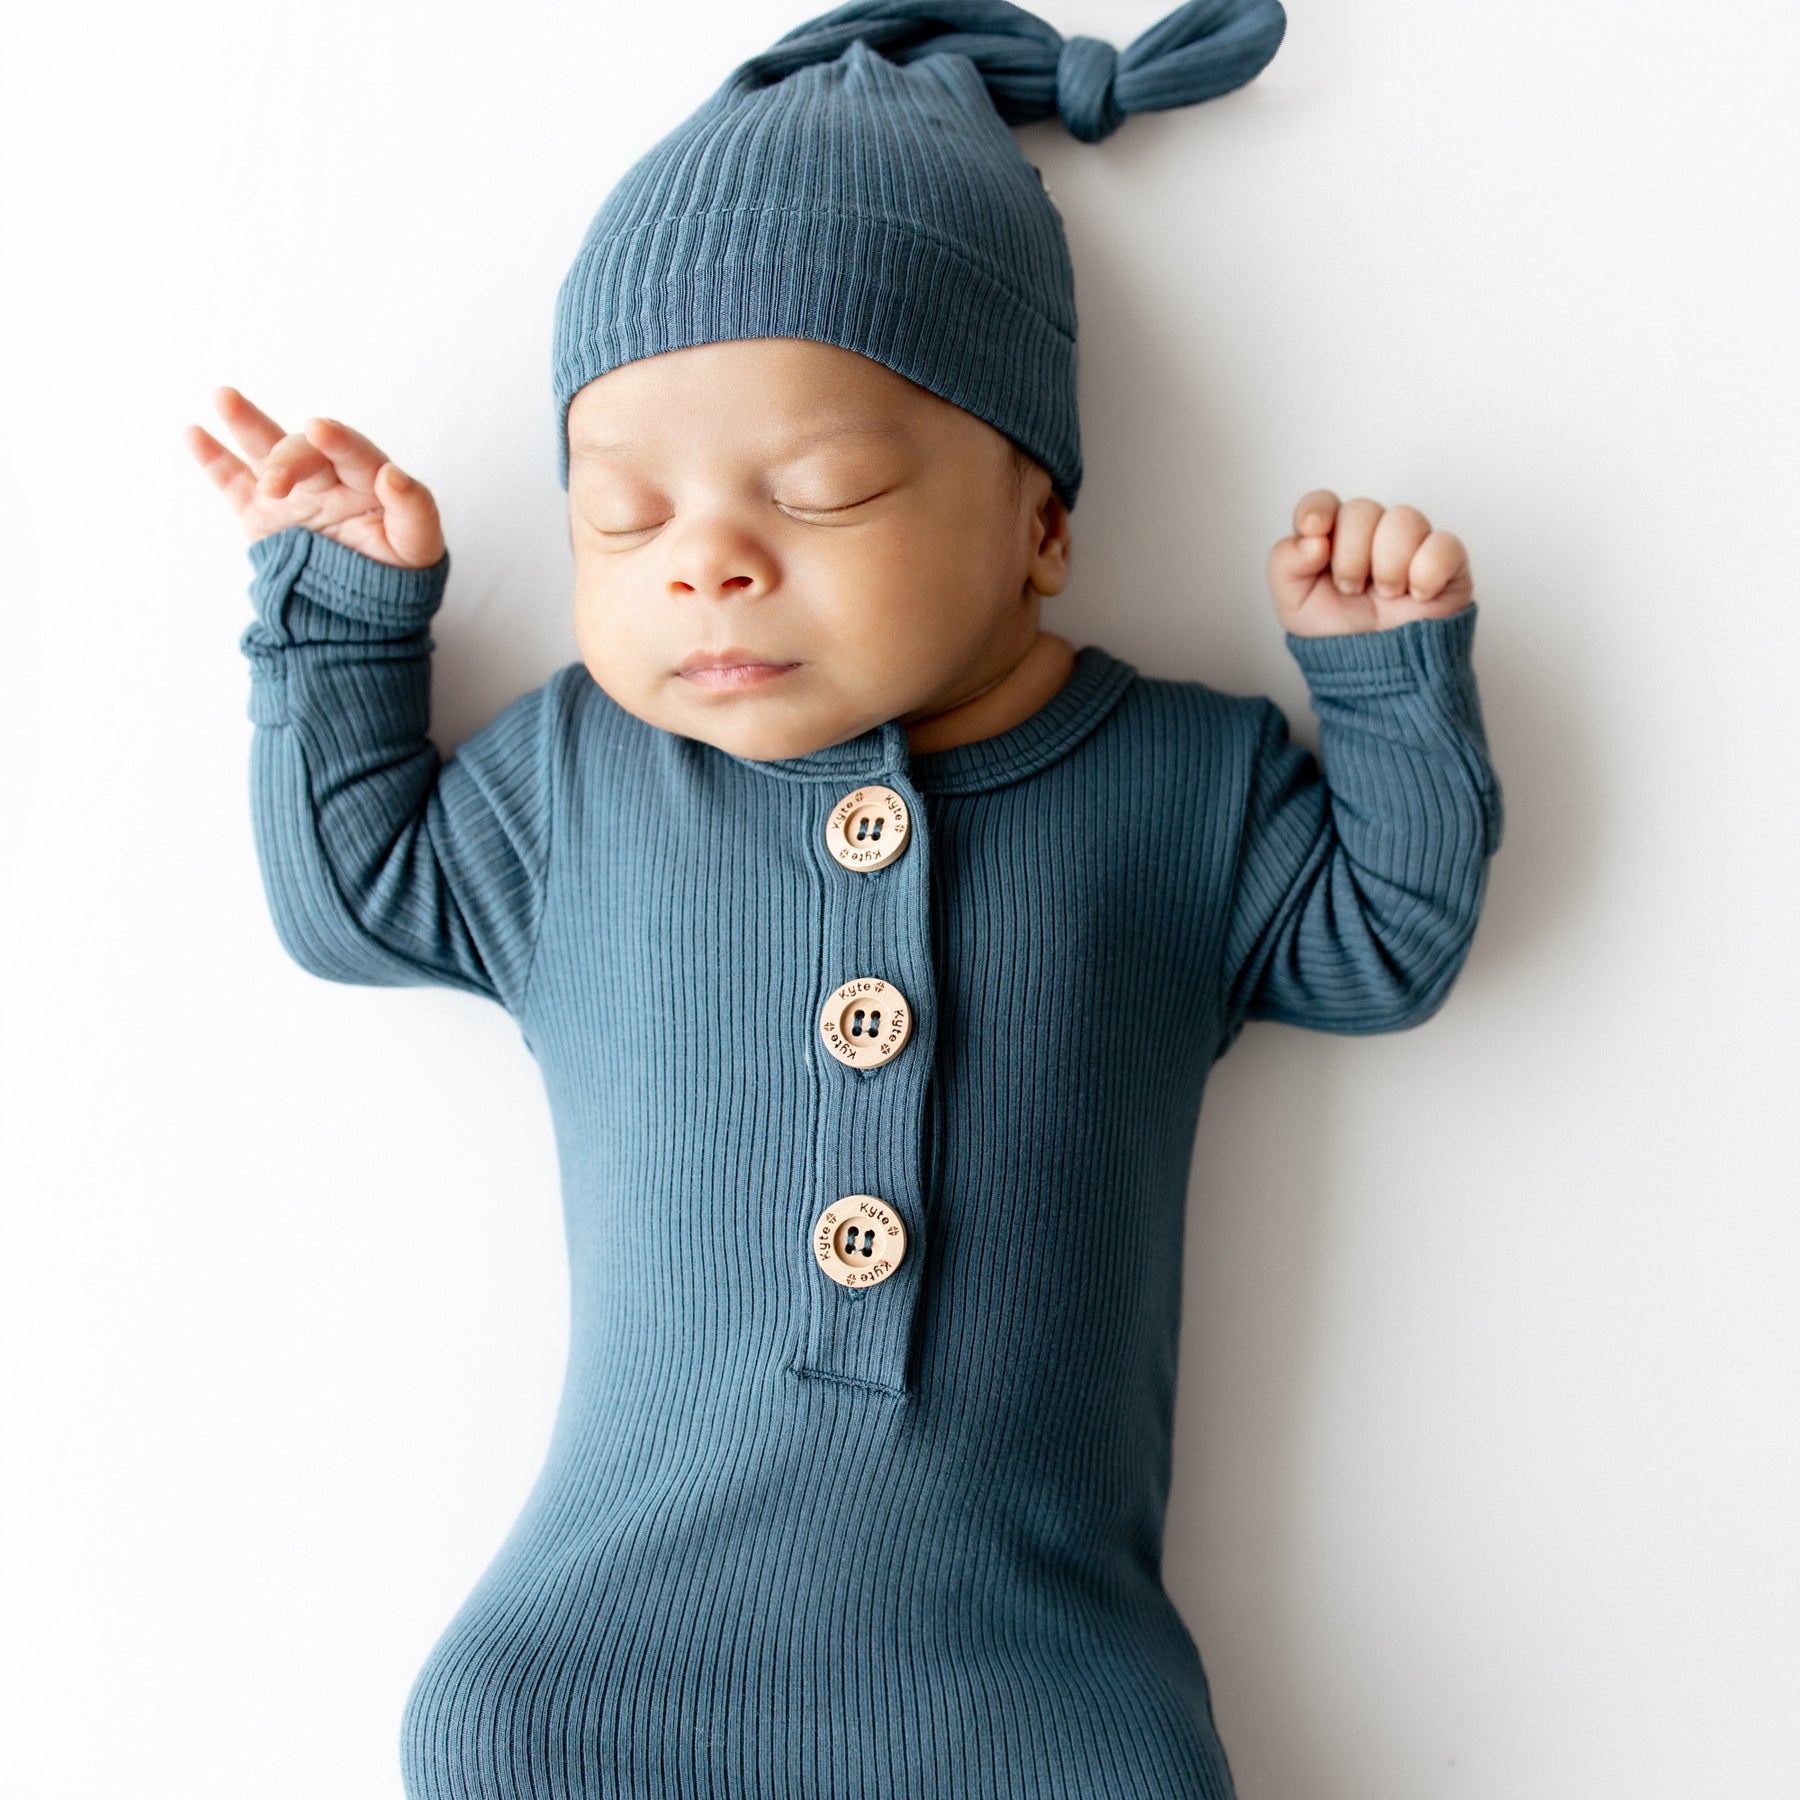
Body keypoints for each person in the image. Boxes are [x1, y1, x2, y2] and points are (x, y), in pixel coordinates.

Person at [183, 2, 1505, 1794]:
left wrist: (1385, 688)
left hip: (1039, 1675)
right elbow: (353, 896)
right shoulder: (582, 782)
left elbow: (1387, 946)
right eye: (622, 519)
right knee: (482, 1726)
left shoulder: (1179, 782)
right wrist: (342, 619)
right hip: (602, 1653)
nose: (710, 558)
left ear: (1041, 522)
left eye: (822, 492)